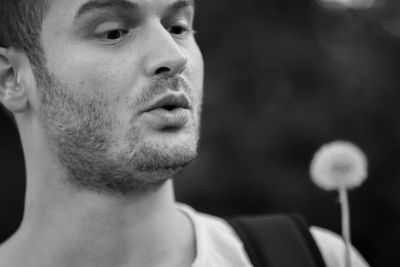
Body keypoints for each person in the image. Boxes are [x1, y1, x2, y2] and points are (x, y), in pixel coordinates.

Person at [0, 0, 370, 266]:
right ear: (12, 79)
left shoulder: (320, 258)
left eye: (178, 27)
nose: (174, 55)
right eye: (113, 32)